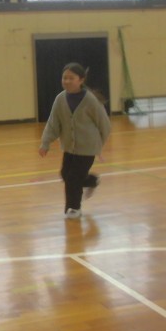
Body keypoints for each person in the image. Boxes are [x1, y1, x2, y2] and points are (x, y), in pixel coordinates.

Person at [38, 62, 111, 219]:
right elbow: (53, 123)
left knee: (73, 178)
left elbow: (104, 125)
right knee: (65, 174)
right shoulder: (60, 99)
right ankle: (92, 181)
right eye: (64, 78)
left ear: (81, 80)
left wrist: (99, 147)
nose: (67, 81)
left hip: (88, 147)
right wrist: (45, 143)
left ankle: (73, 208)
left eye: (71, 78)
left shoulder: (91, 100)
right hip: (69, 147)